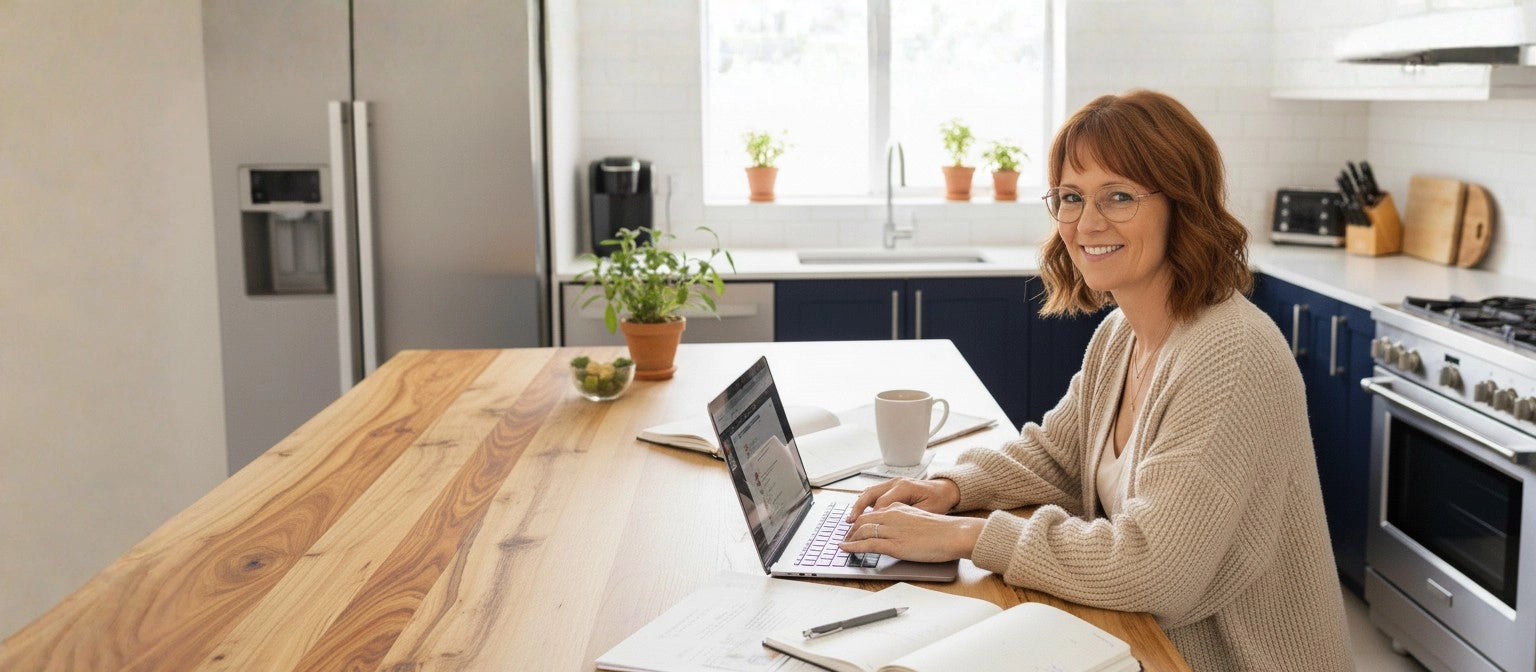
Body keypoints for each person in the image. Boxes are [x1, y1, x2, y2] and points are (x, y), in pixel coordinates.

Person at [839, 90, 1353, 670]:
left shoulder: (1228, 356)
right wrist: (951, 491)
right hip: (1142, 640)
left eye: (1120, 196)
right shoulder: (1121, 334)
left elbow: (1156, 569)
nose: (1087, 223)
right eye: (1071, 198)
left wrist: (965, 538)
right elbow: (1058, 456)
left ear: (1183, 206)